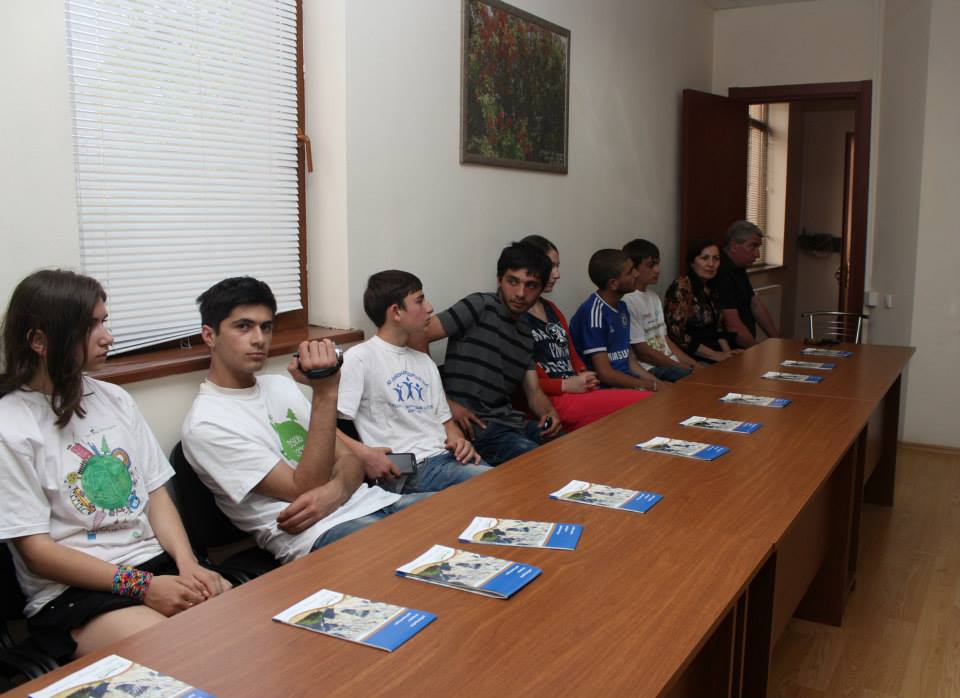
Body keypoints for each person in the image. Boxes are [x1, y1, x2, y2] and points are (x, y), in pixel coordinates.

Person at [0, 270, 230, 662]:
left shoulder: (114, 398)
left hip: (154, 564)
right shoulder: (11, 425)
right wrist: (143, 587)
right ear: (40, 341)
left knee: (241, 626)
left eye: (104, 322)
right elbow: (38, 553)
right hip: (76, 590)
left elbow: (155, 494)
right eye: (90, 327)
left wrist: (188, 563)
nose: (107, 337)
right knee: (185, 653)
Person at [181, 277, 427, 565]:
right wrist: (325, 392)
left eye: (266, 327)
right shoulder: (206, 423)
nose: (259, 339)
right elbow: (304, 487)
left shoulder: (279, 385)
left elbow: (351, 459)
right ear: (209, 336)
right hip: (320, 534)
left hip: (374, 502)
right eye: (243, 326)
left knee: (459, 515)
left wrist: (337, 490)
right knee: (419, 555)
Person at [336, 270, 491, 490]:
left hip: (447, 459)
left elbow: (446, 423)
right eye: (419, 301)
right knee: (494, 486)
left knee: (509, 483)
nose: (429, 307)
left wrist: (459, 441)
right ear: (396, 312)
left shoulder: (424, 362)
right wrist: (366, 455)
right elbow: (328, 429)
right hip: (411, 470)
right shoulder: (360, 358)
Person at [411, 243, 562, 466]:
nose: (521, 293)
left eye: (531, 285)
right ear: (500, 279)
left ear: (540, 290)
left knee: (566, 448)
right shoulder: (480, 305)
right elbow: (417, 336)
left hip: (509, 424)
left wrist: (550, 413)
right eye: (513, 281)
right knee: (537, 462)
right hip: (476, 428)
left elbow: (534, 392)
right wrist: (446, 404)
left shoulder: (526, 333)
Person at [518, 235, 652, 432]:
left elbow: (571, 353)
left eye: (557, 266)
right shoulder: (518, 316)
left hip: (577, 390)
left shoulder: (551, 308)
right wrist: (567, 384)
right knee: (646, 403)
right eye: (551, 266)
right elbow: (529, 385)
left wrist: (583, 374)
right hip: (552, 400)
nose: (557, 274)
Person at [569, 249, 662, 391]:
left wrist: (658, 384)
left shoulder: (622, 307)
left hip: (628, 383)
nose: (636, 274)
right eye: (630, 272)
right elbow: (605, 374)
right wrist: (652, 386)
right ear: (613, 284)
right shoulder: (593, 312)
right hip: (605, 389)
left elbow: (628, 361)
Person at [622, 238, 697, 382]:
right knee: (695, 381)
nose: (657, 270)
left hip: (670, 363)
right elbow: (642, 352)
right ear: (634, 269)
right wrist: (682, 367)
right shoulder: (627, 300)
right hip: (651, 368)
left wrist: (693, 365)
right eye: (651, 265)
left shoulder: (654, 297)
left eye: (657, 264)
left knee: (708, 371)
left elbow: (665, 340)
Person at [664, 240, 739, 363]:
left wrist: (728, 354)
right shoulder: (681, 286)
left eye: (716, 259)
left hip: (715, 352)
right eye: (704, 258)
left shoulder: (712, 287)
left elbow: (718, 329)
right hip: (693, 356)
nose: (711, 264)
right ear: (692, 262)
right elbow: (676, 334)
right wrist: (715, 355)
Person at [715, 220, 779, 348]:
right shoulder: (721, 272)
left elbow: (754, 303)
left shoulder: (738, 266)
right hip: (730, 349)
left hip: (745, 345)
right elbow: (733, 326)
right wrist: (756, 351)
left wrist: (777, 341)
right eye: (753, 246)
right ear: (734, 246)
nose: (757, 254)